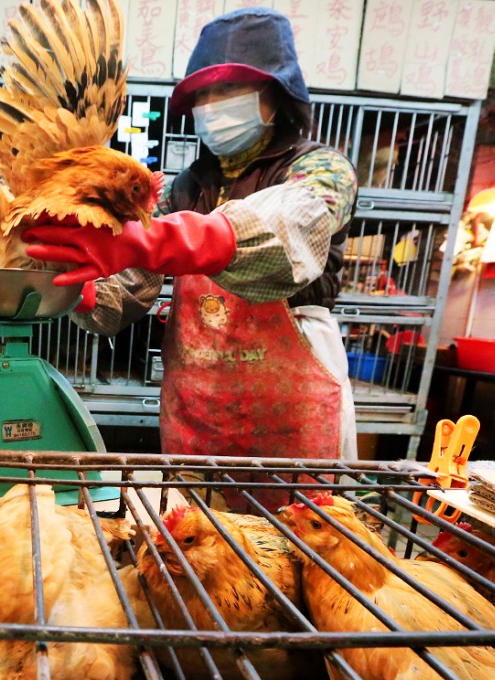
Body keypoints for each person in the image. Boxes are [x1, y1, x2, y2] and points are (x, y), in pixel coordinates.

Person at [23, 7, 358, 510]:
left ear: (277, 95)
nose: (212, 105)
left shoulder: (319, 170)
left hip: (289, 415)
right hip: (198, 411)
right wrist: (81, 285)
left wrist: (170, 240)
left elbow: (293, 222)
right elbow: (128, 282)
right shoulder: (185, 186)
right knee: (200, 554)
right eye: (202, 94)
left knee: (299, 550)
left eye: (229, 89)